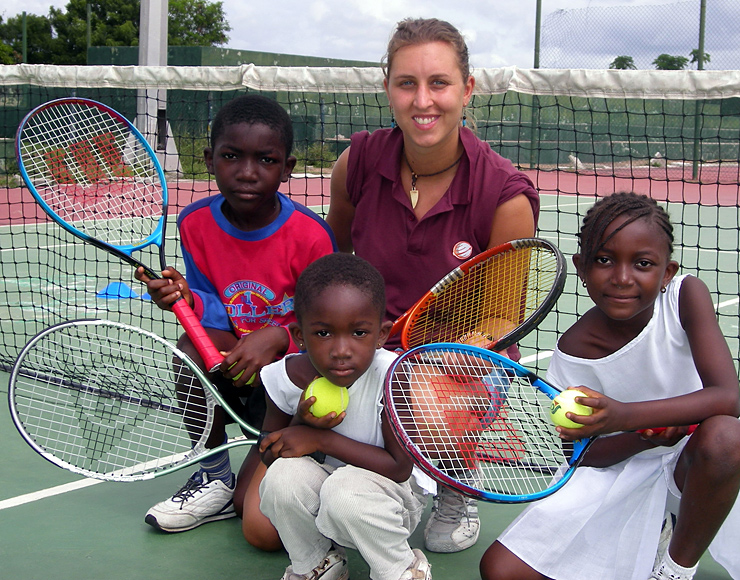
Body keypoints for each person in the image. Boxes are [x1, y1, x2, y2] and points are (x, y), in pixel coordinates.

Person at [327, 17, 540, 553]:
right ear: (388, 89)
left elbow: (499, 319)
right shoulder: (355, 165)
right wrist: (350, 340)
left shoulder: (505, 197)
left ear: (467, 89)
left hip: (459, 363)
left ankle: (450, 479)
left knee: (417, 398)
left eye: (439, 83)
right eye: (407, 83)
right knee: (264, 527)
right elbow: (333, 267)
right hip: (370, 348)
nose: (423, 100)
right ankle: (368, 465)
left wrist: (428, 358)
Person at [480, 191, 740, 580]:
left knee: (727, 436)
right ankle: (653, 528)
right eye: (604, 260)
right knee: (500, 571)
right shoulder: (571, 353)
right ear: (581, 268)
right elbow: (584, 456)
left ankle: (673, 568)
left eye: (643, 264)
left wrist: (625, 415)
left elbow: (728, 397)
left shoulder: (686, 296)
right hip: (618, 470)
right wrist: (645, 437)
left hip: (696, 467)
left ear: (667, 273)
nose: (621, 278)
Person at [134, 94, 336, 534]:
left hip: (296, 375)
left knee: (253, 510)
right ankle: (212, 471)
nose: (247, 172)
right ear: (209, 160)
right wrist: (187, 299)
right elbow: (214, 311)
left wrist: (280, 337)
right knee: (188, 351)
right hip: (236, 362)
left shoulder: (312, 236)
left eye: (265, 159)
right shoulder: (195, 223)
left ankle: (298, 457)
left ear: (287, 168)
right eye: (231, 156)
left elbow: (327, 332)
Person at [258, 252, 432, 580]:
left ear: (381, 334)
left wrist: (321, 438)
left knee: (344, 490)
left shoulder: (392, 374)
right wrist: (300, 423)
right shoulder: (281, 378)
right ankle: (316, 565)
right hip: (328, 491)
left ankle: (401, 568)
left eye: (359, 333)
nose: (341, 350)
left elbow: (398, 468)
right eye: (323, 333)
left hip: (393, 499)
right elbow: (268, 454)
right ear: (299, 335)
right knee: (281, 479)